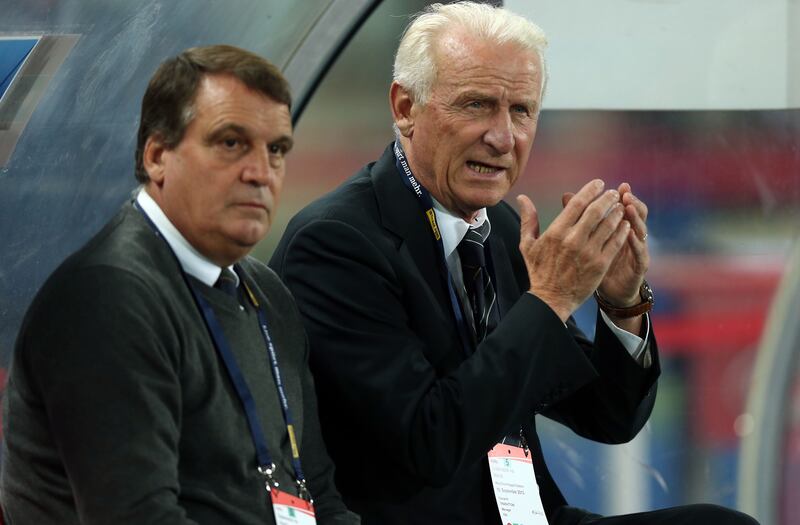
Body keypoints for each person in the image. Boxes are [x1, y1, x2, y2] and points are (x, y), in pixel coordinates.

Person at [269, 3, 758, 525]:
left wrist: (621, 303)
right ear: (406, 106)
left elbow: (609, 415)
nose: (504, 138)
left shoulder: (500, 228)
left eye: (521, 111)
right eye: (477, 105)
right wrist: (549, 298)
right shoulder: (335, 244)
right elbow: (428, 443)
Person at [1, 45, 359, 525]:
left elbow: (318, 491)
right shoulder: (107, 300)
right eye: (231, 143)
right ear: (157, 157)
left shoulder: (268, 295)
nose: (260, 173)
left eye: (276, 150)